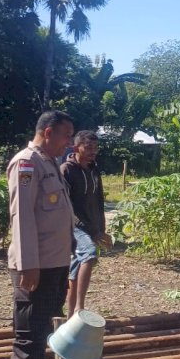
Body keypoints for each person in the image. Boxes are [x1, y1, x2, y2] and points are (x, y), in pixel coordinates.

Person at [5, 110, 75, 359]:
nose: (69, 142)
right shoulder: (27, 163)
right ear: (48, 132)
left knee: (41, 335)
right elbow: (22, 219)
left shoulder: (49, 163)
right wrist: (27, 265)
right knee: (29, 337)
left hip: (54, 265)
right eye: (65, 135)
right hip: (36, 269)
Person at [61, 130, 113, 315]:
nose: (93, 151)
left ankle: (70, 317)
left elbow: (99, 201)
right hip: (73, 226)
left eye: (96, 148)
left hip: (91, 227)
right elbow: (67, 206)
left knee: (75, 271)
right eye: (88, 147)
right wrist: (91, 230)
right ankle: (79, 309)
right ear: (76, 148)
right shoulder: (66, 170)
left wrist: (100, 229)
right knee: (89, 255)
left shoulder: (94, 169)